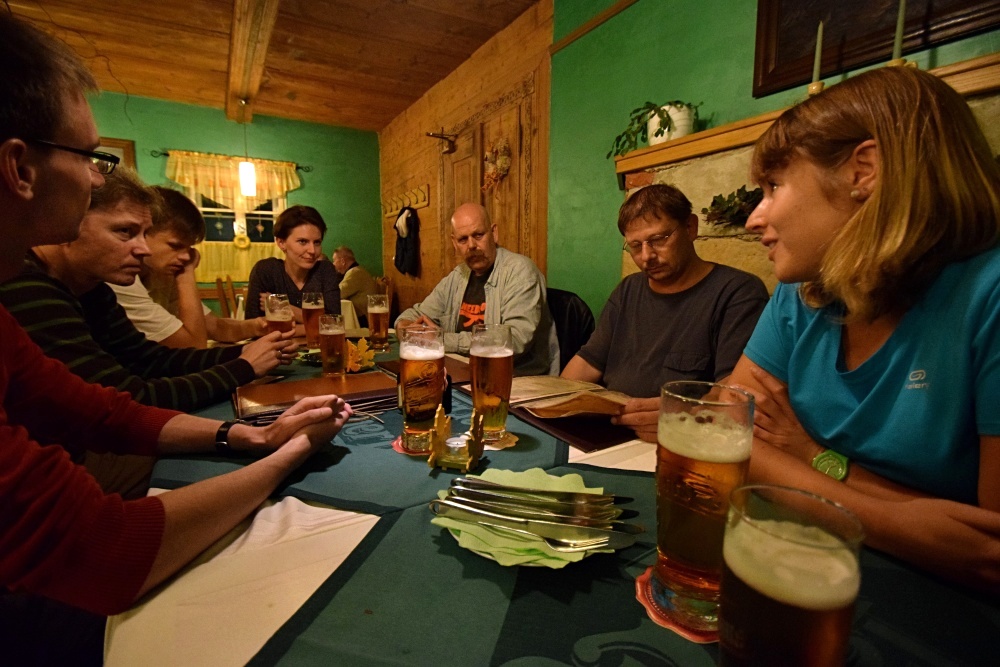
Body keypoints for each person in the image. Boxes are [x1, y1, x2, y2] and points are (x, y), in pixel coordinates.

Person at [0, 13, 351, 664]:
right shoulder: (23, 287)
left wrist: (250, 435)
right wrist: (285, 455)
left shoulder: (45, 294)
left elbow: (105, 407)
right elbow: (104, 549)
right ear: (19, 168)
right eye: (90, 157)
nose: (99, 178)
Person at [722, 66, 1000, 592]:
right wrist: (906, 520)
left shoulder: (989, 294)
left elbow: (988, 554)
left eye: (774, 186)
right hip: (805, 564)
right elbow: (729, 432)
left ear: (863, 171)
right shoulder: (804, 289)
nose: (754, 219)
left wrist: (810, 456)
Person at [0, 167, 298, 413]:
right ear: (67, 220)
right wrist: (244, 366)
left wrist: (243, 352)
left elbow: (151, 359)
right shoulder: (24, 286)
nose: (143, 249)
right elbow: (129, 398)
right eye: (125, 231)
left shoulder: (92, 289)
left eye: (144, 234)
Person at [561, 183, 768, 403]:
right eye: (635, 246)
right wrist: (552, 403)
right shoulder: (628, 289)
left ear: (690, 227)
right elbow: (587, 363)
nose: (646, 256)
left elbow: (733, 392)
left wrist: (673, 413)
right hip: (612, 418)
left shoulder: (738, 292)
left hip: (682, 423)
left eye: (659, 239)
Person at [395, 202, 558, 375]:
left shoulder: (520, 272)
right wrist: (407, 330)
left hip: (517, 379)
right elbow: (414, 315)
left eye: (478, 235)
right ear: (454, 243)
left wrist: (440, 339)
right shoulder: (457, 276)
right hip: (465, 374)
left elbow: (514, 340)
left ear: (494, 233)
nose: (471, 245)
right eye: (463, 239)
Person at [111, 186, 268, 348]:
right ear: (142, 234)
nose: (187, 257)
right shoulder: (119, 281)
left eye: (189, 248)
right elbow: (194, 345)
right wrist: (186, 275)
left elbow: (215, 327)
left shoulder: (161, 274)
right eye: (175, 246)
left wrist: (258, 326)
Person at [244, 204, 341, 324]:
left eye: (317, 242)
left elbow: (334, 324)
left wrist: (285, 308)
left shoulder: (325, 270)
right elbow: (253, 326)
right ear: (281, 242)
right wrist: (316, 323)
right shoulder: (266, 271)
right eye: (302, 241)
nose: (312, 250)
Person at [332, 245, 376, 325]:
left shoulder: (354, 272)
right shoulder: (358, 270)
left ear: (343, 261)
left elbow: (337, 293)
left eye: (334, 260)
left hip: (364, 321)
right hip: (364, 317)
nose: (333, 264)